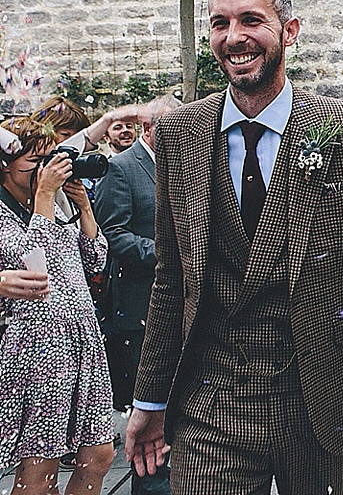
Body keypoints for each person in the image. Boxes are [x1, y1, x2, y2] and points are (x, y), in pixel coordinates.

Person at [124, 0, 343, 495]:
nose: (234, 36)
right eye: (220, 23)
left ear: (288, 31)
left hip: (320, 398)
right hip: (210, 403)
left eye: (251, 20)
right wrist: (150, 399)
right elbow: (171, 279)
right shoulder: (180, 133)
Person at [0, 116, 114, 494]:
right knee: (40, 467)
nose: (45, 171)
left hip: (83, 342)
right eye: (34, 163)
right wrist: (46, 196)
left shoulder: (51, 203)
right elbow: (35, 263)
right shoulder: (8, 213)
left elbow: (95, 259)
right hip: (38, 348)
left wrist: (82, 207)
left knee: (99, 457)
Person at [94, 96, 181, 494]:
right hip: (142, 302)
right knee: (150, 409)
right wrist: (165, 252)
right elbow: (113, 235)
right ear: (148, 129)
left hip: (185, 304)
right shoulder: (122, 169)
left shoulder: (183, 165)